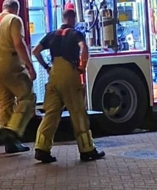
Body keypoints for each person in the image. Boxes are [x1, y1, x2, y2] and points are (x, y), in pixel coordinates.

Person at [32, 8, 105, 163]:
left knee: (51, 113)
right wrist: (82, 66)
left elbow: (36, 51)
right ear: (73, 19)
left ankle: (41, 148)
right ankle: (87, 149)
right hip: (69, 74)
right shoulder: (75, 33)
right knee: (78, 111)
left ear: (63, 18)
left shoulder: (52, 34)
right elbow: (84, 48)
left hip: (54, 74)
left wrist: (46, 66)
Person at [0, 0, 37, 154]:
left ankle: (9, 142)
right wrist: (29, 66)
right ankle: (13, 131)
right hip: (11, 65)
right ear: (16, 9)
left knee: (5, 102)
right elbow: (19, 44)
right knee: (27, 97)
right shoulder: (14, 20)